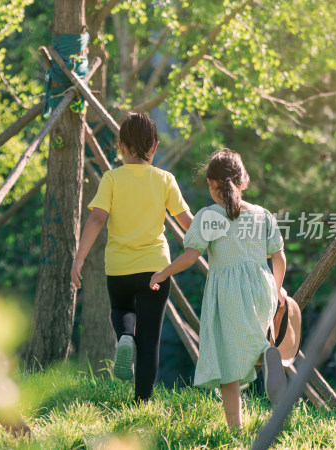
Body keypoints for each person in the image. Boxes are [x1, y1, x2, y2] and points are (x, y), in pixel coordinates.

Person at [149, 149, 288, 430]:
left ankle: (235, 429)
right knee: (252, 341)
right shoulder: (263, 215)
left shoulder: (209, 216)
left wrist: (164, 272)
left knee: (228, 362)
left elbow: (190, 256)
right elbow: (280, 258)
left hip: (229, 294)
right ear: (244, 182)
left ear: (212, 185)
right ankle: (266, 355)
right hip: (263, 289)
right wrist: (278, 291)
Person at [70, 113, 193, 402]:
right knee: (150, 341)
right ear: (155, 147)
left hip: (119, 267)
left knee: (121, 310)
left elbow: (97, 219)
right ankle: (142, 404)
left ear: (121, 147)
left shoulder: (111, 179)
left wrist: (79, 259)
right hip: (156, 269)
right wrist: (217, 234)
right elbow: (188, 222)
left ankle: (125, 336)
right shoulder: (165, 179)